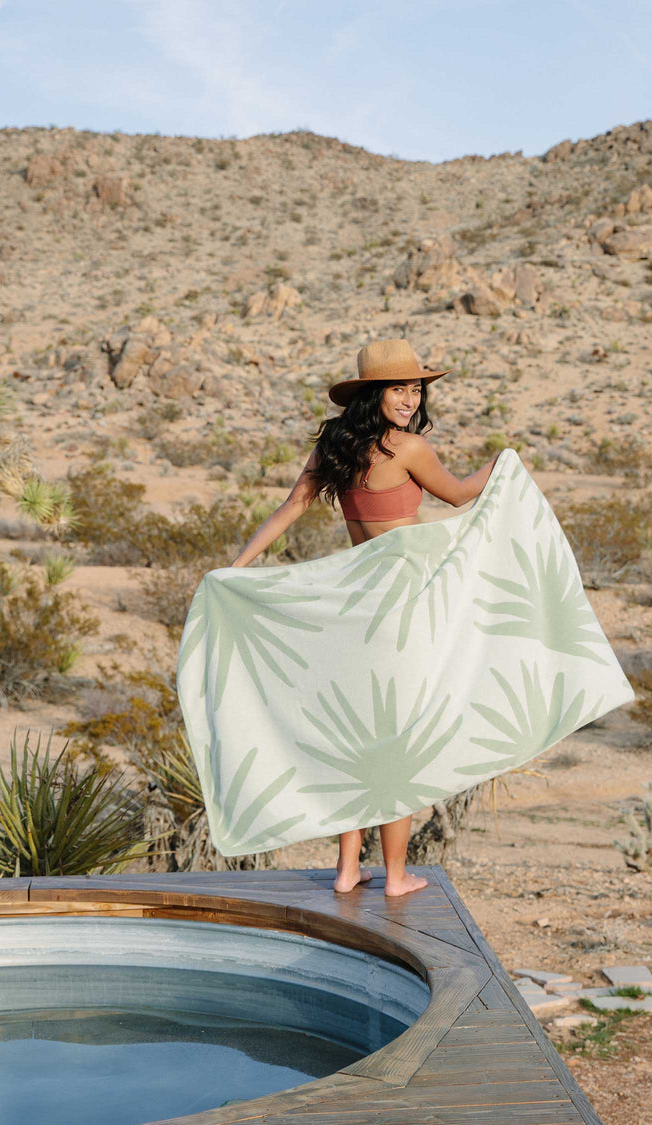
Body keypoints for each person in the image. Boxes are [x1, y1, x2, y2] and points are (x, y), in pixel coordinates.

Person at [228, 338, 499, 897]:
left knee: (361, 730)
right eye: (400, 388)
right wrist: (502, 465)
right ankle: (396, 875)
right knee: (393, 737)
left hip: (357, 604)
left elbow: (291, 507)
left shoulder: (335, 444)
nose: (410, 398)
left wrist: (237, 566)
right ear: (374, 393)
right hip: (405, 605)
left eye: (416, 388)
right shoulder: (408, 449)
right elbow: (459, 496)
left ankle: (350, 869)